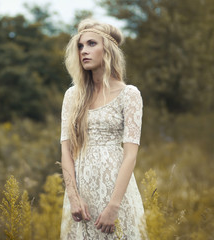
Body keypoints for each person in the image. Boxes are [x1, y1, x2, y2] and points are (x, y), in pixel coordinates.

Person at [60, 19, 148, 239]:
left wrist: (114, 206)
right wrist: (73, 196)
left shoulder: (129, 95)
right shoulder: (72, 96)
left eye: (91, 44)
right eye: (80, 46)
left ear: (107, 50)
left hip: (116, 191)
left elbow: (130, 155)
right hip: (81, 190)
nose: (84, 51)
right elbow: (66, 150)